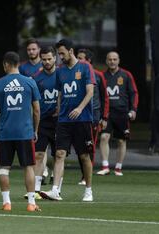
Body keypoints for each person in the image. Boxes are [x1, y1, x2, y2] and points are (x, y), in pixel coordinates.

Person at [40, 39, 95, 202]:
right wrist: (59, 110)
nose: (60, 57)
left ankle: (88, 190)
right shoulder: (60, 71)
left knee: (84, 156)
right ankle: (55, 190)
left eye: (62, 53)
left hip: (82, 119)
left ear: (71, 51)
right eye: (59, 54)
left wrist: (79, 108)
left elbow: (90, 92)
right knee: (59, 153)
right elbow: (60, 93)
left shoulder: (85, 67)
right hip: (64, 120)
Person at [0, 51, 41, 212]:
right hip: (25, 132)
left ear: (6, 64)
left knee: (4, 168)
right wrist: (35, 129)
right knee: (28, 167)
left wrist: (3, 121)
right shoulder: (30, 82)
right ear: (18, 64)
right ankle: (31, 203)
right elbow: (37, 110)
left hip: (6, 133)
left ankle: (7, 203)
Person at [24, 46, 58, 200]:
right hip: (43, 120)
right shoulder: (36, 78)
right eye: (44, 59)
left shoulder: (62, 75)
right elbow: (32, 102)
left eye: (49, 59)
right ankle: (36, 189)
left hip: (59, 121)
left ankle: (56, 189)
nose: (46, 62)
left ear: (55, 58)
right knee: (38, 154)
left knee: (59, 154)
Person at [97, 51, 139, 176]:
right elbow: (99, 95)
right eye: (110, 59)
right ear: (106, 61)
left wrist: (133, 109)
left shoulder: (126, 75)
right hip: (107, 113)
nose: (112, 61)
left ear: (118, 60)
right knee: (104, 137)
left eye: (115, 59)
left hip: (122, 113)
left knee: (121, 141)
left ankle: (118, 168)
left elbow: (134, 93)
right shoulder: (102, 76)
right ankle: (105, 166)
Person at [19, 38, 50, 184]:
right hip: (27, 108)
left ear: (39, 50)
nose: (31, 52)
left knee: (43, 142)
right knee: (34, 140)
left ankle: (43, 170)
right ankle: (41, 169)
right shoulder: (23, 68)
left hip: (44, 107)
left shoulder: (45, 65)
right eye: (29, 50)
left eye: (34, 49)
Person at [77, 49, 109, 185]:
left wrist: (105, 117)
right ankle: (83, 173)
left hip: (93, 115)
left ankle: (86, 177)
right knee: (80, 147)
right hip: (78, 115)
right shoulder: (75, 74)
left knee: (90, 146)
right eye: (77, 57)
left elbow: (105, 97)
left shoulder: (98, 75)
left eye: (81, 58)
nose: (78, 60)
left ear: (89, 60)